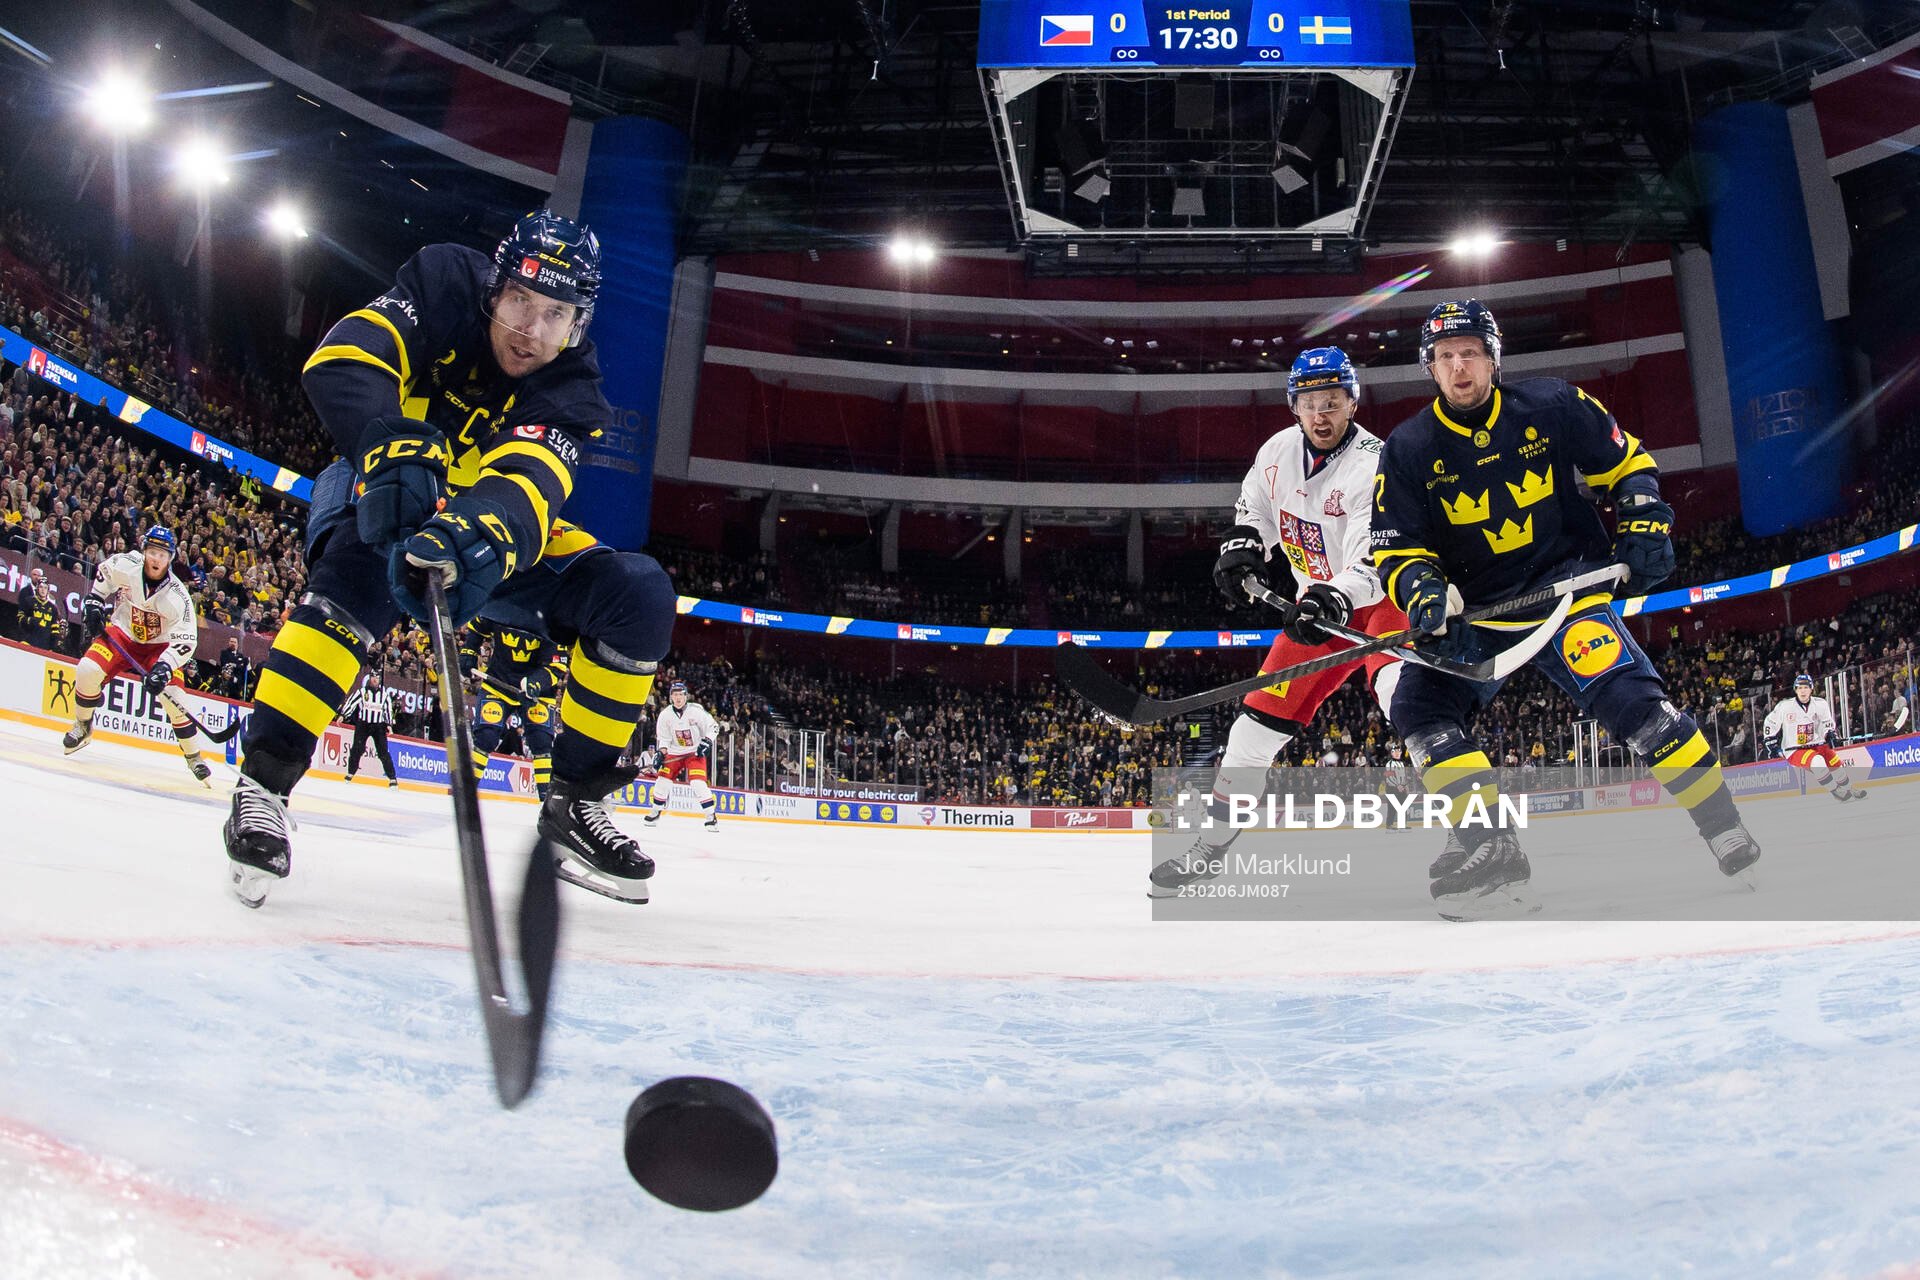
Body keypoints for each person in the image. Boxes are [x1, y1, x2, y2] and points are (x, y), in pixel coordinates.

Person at [222, 210, 678, 908]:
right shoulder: (442, 282)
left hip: (480, 527)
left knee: (638, 595)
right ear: (495, 287)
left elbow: (531, 484)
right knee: (357, 574)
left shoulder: (573, 388)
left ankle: (574, 801)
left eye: (555, 314)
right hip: (385, 484)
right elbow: (346, 358)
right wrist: (390, 444)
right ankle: (263, 785)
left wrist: (480, 532)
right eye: (521, 299)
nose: (532, 329)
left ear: (577, 324)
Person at [1370, 298, 1759, 918]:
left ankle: (1723, 826)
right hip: (1477, 615)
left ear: (1493, 359)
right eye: (1445, 357)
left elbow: (1627, 464)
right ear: (1431, 368)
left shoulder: (1553, 404)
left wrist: (1643, 516)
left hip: (1564, 592)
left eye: (1470, 352)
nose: (1459, 367)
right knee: (1419, 710)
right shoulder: (1408, 447)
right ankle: (1492, 847)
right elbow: (1397, 548)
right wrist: (1423, 593)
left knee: (1639, 709)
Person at [1149, 347, 1407, 896]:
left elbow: (1376, 557)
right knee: (1249, 734)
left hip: (1381, 602)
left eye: (1331, 402)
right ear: (1294, 406)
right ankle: (1210, 849)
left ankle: (1479, 837)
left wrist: (1333, 596)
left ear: (1352, 402)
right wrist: (1246, 545)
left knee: (1409, 705)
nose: (1320, 414)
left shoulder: (1375, 463)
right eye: (1309, 403)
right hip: (1316, 609)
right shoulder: (1276, 451)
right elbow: (1256, 510)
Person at [63, 526, 210, 784]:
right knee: (87, 669)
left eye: (162, 555)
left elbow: (187, 640)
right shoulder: (127, 564)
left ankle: (193, 756)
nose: (156, 559)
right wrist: (95, 600)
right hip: (123, 633)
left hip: (160, 648)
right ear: (144, 552)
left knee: (175, 698)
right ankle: (83, 725)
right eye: (152, 552)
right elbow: (105, 573)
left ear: (170, 559)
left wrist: (165, 666)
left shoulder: (179, 596)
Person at [461, 620, 565, 800]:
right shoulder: (502, 604)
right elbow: (478, 625)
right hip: (498, 683)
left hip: (538, 690)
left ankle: (546, 802)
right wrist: (469, 650)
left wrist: (535, 684)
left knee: (541, 742)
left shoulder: (553, 616)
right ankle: (465, 793)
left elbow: (557, 666)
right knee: (486, 736)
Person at [1763, 672, 1865, 803]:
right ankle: (1835, 790)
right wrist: (1770, 741)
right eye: (1799, 688)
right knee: (1817, 761)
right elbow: (1770, 722)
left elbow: (1827, 723)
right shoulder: (1785, 706)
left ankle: (1849, 788)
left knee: (1834, 762)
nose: (1803, 691)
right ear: (1795, 690)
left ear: (1811, 689)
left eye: (1806, 687)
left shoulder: (1821, 704)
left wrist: (1830, 734)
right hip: (1795, 750)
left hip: (1818, 744)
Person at [642, 680, 721, 830]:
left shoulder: (696, 711)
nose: (678, 698)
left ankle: (711, 817)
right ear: (671, 697)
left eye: (681, 694)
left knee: (698, 784)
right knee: (662, 781)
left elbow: (714, 727)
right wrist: (661, 753)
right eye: (675, 694)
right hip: (674, 752)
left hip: (694, 752)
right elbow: (664, 739)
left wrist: (707, 741)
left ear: (686, 696)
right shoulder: (665, 715)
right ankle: (655, 811)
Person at [340, 669, 399, 787]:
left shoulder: (384, 695)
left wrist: (389, 725)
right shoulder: (362, 692)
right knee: (357, 749)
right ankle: (350, 773)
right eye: (373, 677)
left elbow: (388, 711)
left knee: (383, 752)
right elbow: (351, 703)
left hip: (378, 726)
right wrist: (343, 715)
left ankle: (392, 778)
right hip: (364, 724)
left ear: (379, 679)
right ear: (369, 678)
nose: (375, 679)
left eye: (377, 677)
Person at [16, 565, 64, 650]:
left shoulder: (53, 608)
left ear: (48, 590)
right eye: (41, 587)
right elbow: (19, 618)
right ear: (37, 588)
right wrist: (29, 620)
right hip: (27, 642)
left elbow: (54, 628)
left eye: (45, 588)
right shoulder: (28, 601)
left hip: (44, 647)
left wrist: (53, 645)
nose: (43, 590)